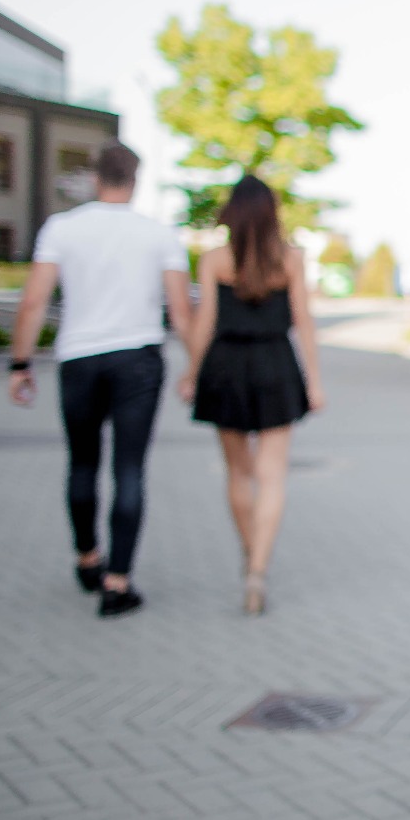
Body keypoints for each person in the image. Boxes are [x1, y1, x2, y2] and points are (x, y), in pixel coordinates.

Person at [9, 142, 191, 618]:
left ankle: (88, 558)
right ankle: (118, 584)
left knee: (83, 463)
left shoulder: (62, 229)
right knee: (129, 470)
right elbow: (181, 311)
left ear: (95, 178)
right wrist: (197, 367)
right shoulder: (159, 235)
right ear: (136, 180)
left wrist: (20, 363)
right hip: (139, 359)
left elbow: (32, 302)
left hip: (79, 359)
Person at [178, 175, 324, 614]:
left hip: (226, 367)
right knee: (272, 474)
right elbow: (303, 320)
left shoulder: (215, 259)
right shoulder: (292, 259)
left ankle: (249, 558)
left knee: (238, 474)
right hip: (276, 365)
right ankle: (259, 570)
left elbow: (205, 322)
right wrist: (315, 381)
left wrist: (191, 372)